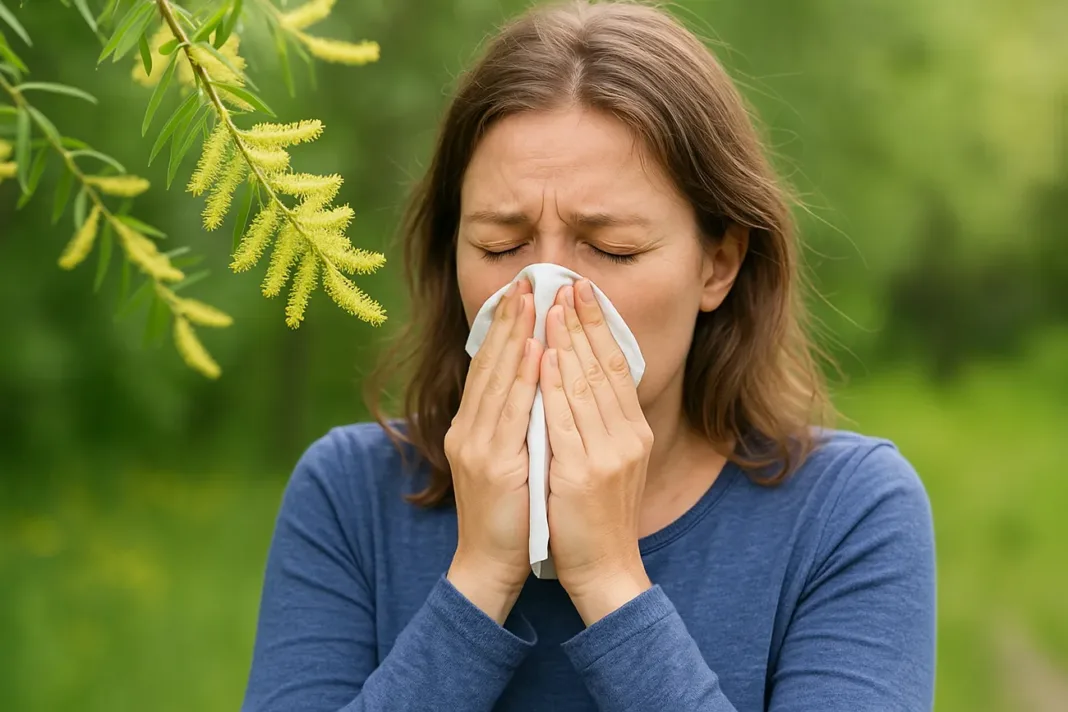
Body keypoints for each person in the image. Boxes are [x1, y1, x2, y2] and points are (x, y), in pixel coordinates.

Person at [240, 2, 936, 710]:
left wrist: (609, 580)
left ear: (717, 264)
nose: (544, 294)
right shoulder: (351, 495)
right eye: (499, 247)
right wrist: (479, 578)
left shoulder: (847, 513)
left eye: (613, 250)